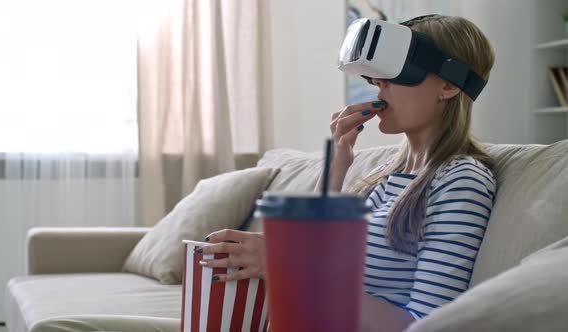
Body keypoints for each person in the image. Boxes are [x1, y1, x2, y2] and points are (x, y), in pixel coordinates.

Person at [198, 14, 496, 332]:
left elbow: (426, 324)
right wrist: (336, 168)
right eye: (378, 73)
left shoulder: (461, 181)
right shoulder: (385, 177)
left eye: (397, 70)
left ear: (448, 85)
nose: (378, 83)